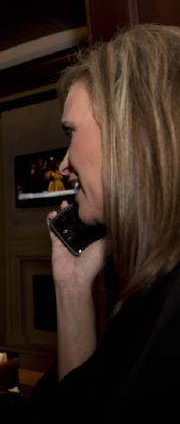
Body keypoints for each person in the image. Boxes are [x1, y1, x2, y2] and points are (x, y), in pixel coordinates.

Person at [30, 24, 180, 422]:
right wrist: (73, 285)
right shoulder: (149, 286)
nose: (63, 164)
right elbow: (80, 407)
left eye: (71, 132)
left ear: (129, 131)